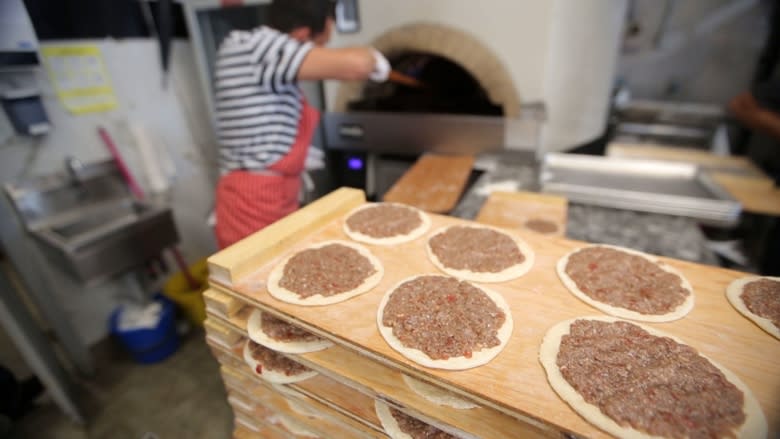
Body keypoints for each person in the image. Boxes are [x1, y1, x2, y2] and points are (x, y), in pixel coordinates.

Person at [213, 0, 390, 248]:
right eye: (320, 45)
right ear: (302, 34)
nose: (320, 52)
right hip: (251, 200)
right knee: (255, 279)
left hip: (278, 193)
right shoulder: (252, 46)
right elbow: (357, 64)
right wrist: (376, 59)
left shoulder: (271, 61)